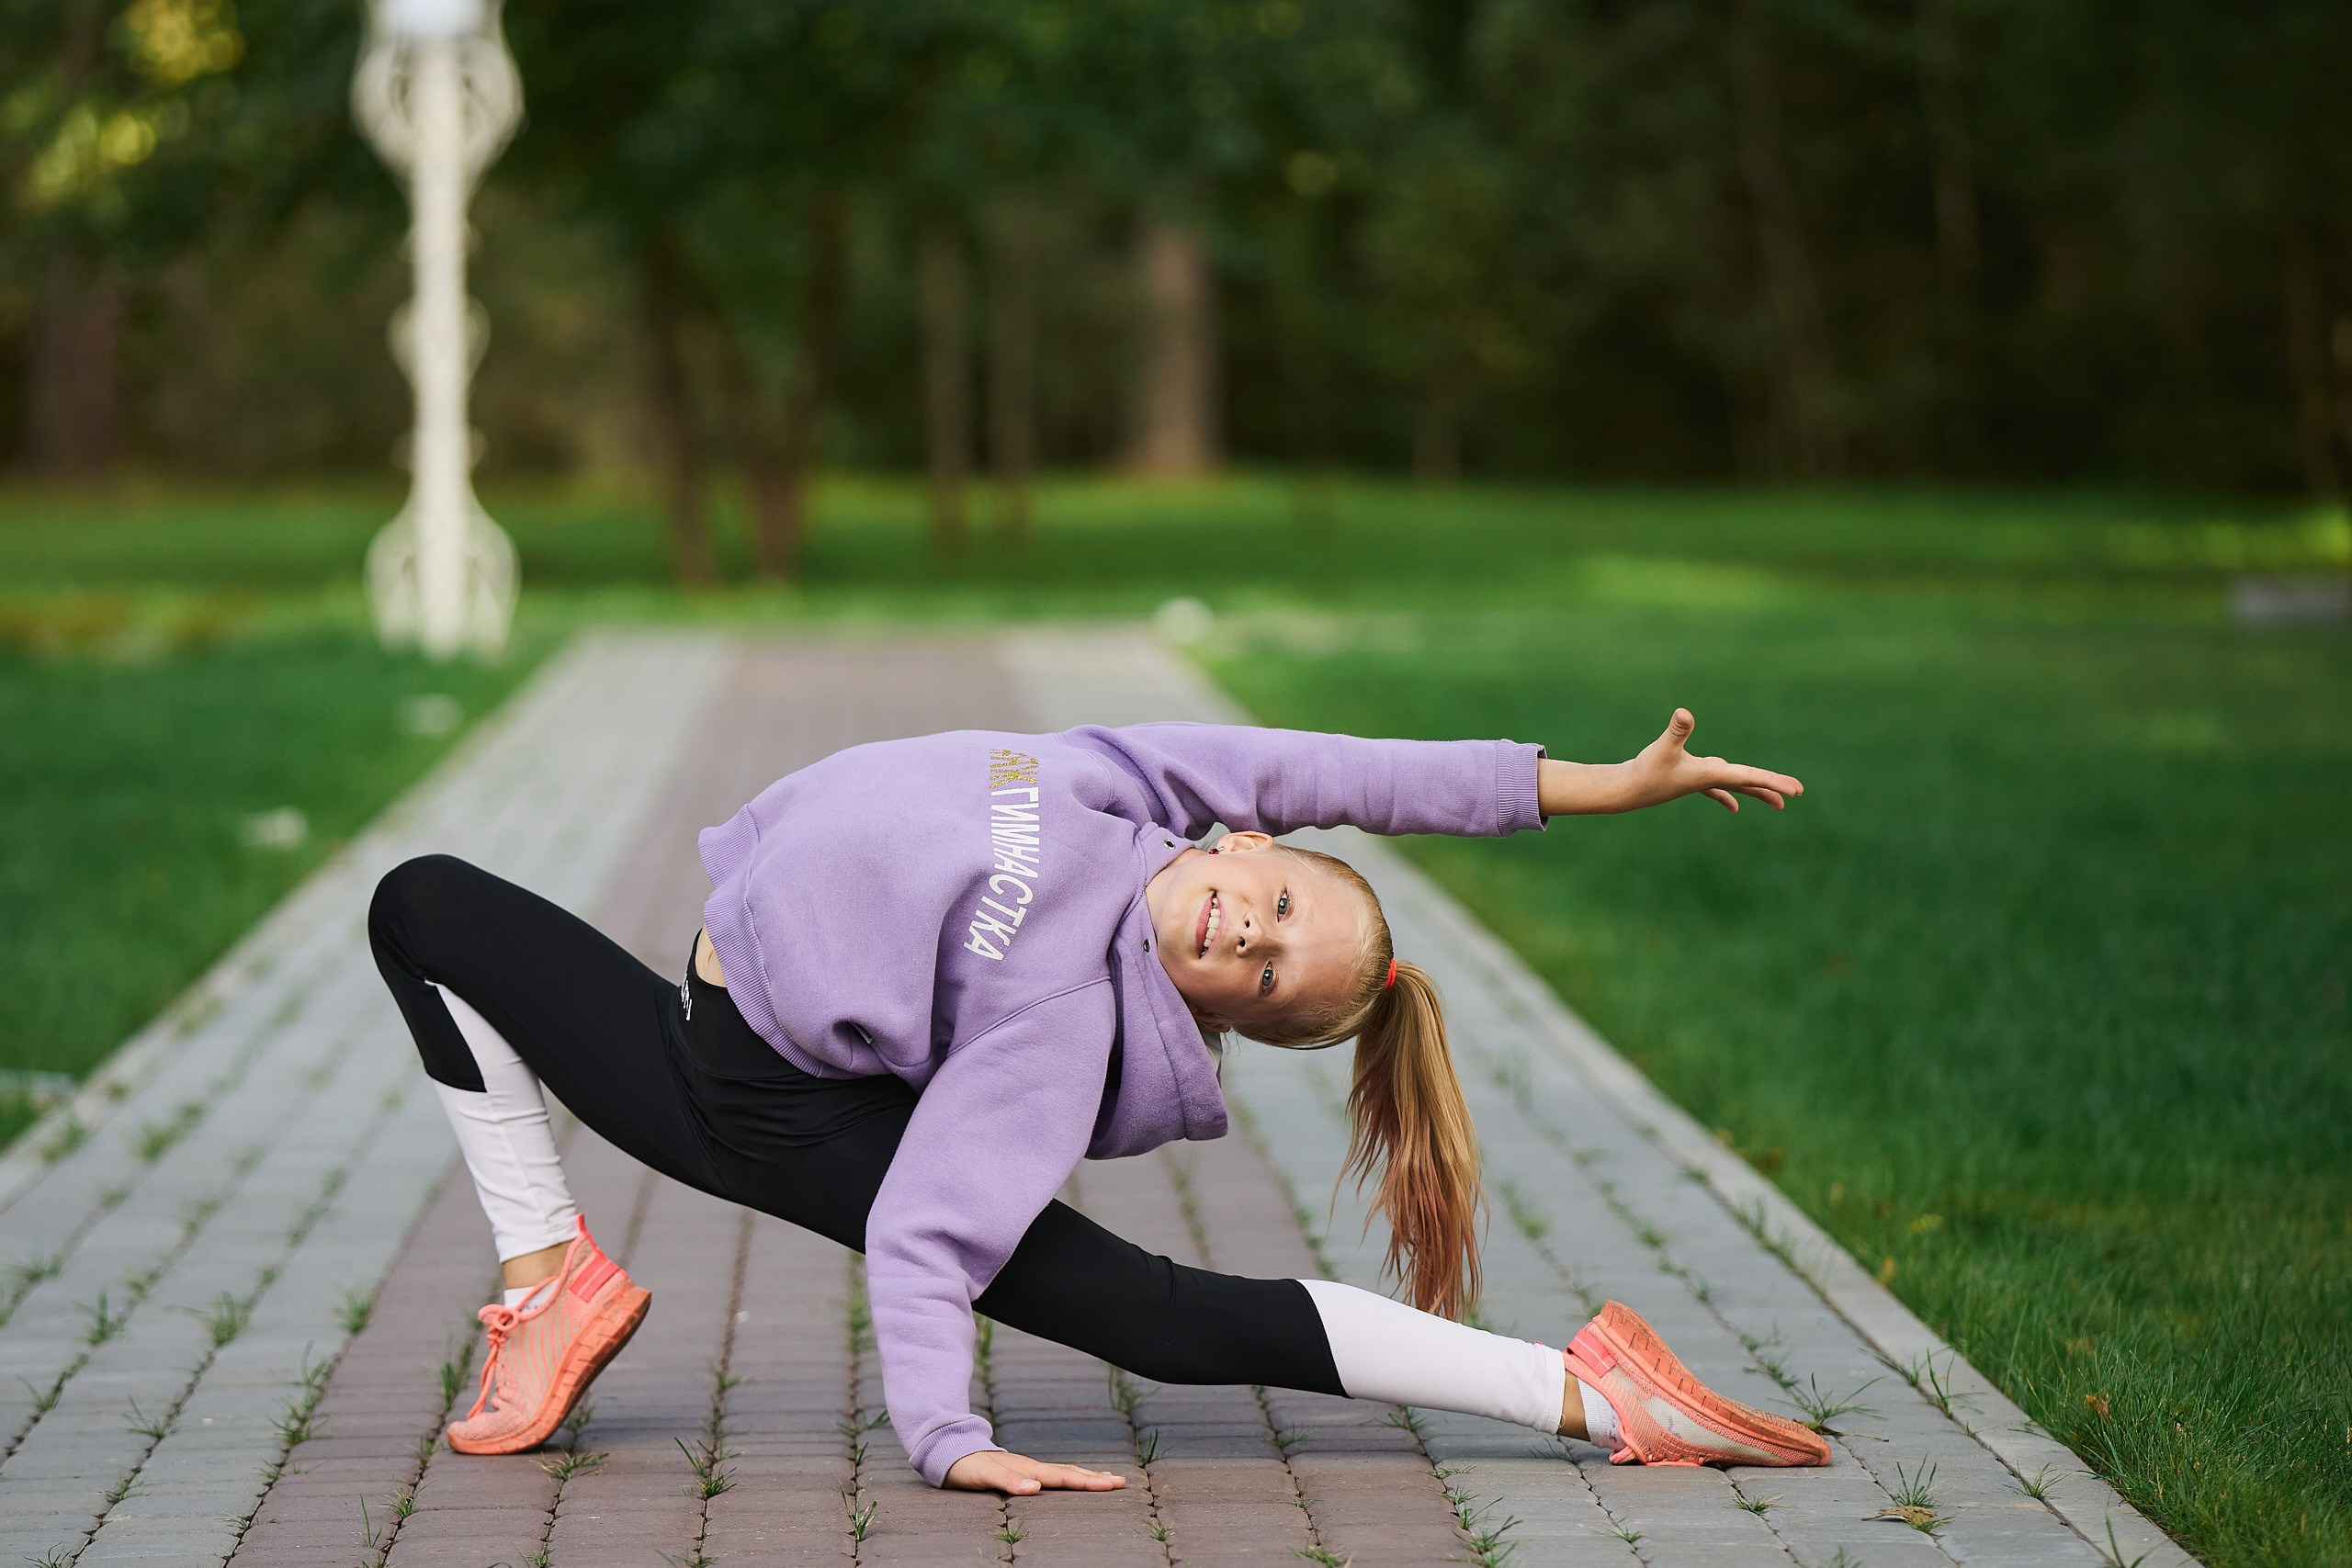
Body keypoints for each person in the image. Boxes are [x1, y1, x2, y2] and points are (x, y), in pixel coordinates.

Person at [368, 710, 1831, 1494]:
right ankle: (551, 1280)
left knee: (1159, 1320)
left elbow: (928, 1236)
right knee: (422, 903)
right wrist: (1588, 788)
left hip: (753, 1092)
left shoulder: (1060, 1024)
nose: (1248, 938)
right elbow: (1348, 769)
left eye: (1265, 979)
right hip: (715, 1006)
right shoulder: (1134, 787)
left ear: (1225, 1017)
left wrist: (944, 1435)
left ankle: (1590, 1393)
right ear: (1243, 839)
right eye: (1272, 904)